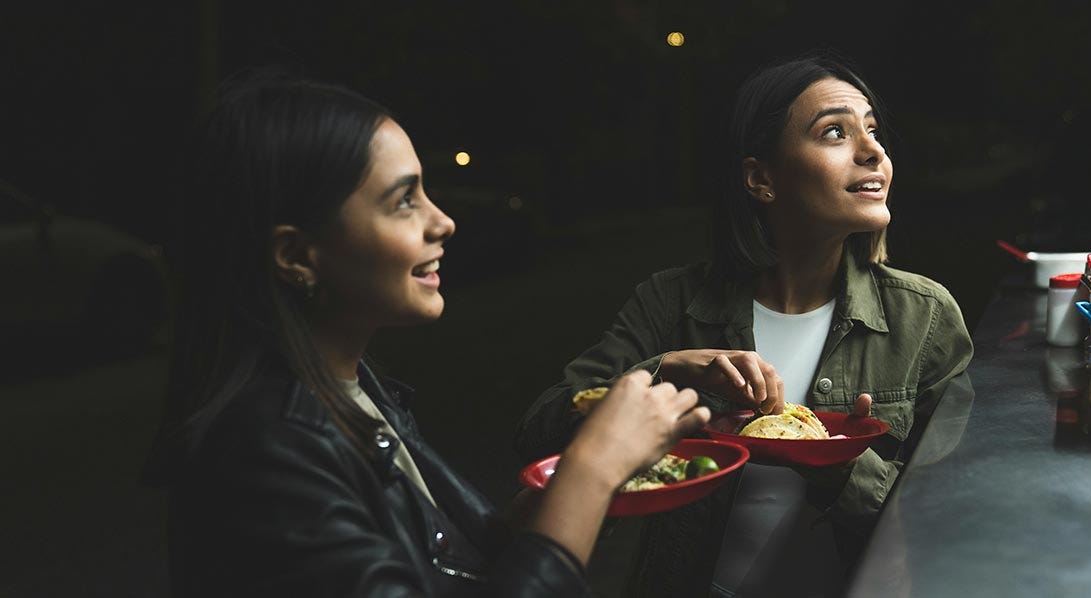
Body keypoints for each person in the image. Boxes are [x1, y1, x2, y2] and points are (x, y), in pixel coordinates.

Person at [142, 70, 711, 597]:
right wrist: (590, 470)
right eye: (403, 201)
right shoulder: (265, 454)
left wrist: (605, 472)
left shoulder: (349, 390)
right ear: (295, 254)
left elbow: (447, 563)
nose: (443, 221)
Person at [514, 52, 974, 596]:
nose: (873, 151)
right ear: (761, 178)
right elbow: (541, 435)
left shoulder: (924, 316)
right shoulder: (672, 303)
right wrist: (667, 370)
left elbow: (954, 515)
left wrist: (837, 463)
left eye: (872, 131)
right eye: (834, 132)